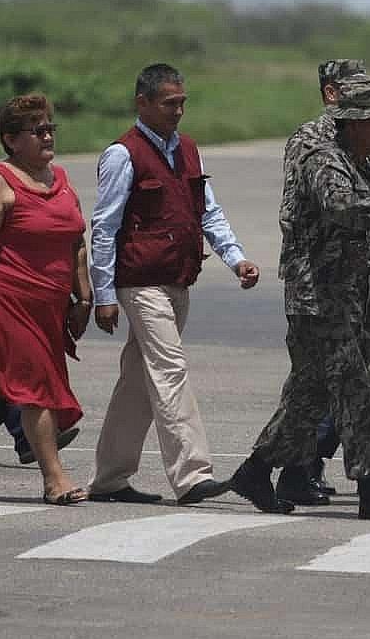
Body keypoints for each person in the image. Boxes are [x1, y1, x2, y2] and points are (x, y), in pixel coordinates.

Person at [230, 84, 370, 520]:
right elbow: (343, 207)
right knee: (347, 385)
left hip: (366, 288)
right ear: (355, 124)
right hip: (322, 294)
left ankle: (257, 469)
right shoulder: (323, 158)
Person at [88, 63, 258, 505]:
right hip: (140, 283)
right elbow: (104, 227)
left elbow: (208, 212)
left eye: (182, 102)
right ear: (142, 103)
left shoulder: (189, 150)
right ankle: (192, 475)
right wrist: (103, 295)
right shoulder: (122, 154)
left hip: (178, 279)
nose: (178, 111)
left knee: (138, 381)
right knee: (170, 369)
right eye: (169, 104)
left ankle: (110, 478)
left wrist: (236, 259)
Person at [276, 62, 370, 507]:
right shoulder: (313, 144)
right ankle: (299, 470)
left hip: (368, 278)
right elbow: (333, 208)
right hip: (319, 282)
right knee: (320, 385)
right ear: (334, 95)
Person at [0, 94, 90, 505]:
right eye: (38, 131)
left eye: (50, 128)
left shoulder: (60, 179)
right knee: (35, 385)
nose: (48, 136)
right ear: (12, 140)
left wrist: (84, 297)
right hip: (5, 303)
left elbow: (76, 241)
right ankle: (54, 479)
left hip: (49, 308)